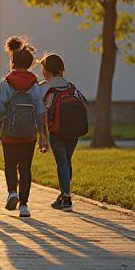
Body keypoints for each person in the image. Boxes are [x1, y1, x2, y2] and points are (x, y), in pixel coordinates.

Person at [0, 36, 48, 218]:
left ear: (13, 62)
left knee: (10, 165)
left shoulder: (6, 83)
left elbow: (1, 107)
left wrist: (1, 119)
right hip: (29, 134)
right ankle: (24, 205)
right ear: (30, 63)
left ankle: (12, 192)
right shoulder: (34, 84)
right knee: (25, 167)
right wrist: (43, 135)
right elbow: (40, 110)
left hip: (9, 133)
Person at [40, 52, 87, 213]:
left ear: (47, 70)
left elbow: (42, 111)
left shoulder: (45, 87)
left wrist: (42, 135)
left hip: (57, 131)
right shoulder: (70, 86)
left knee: (62, 163)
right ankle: (64, 194)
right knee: (67, 161)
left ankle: (66, 198)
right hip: (74, 131)